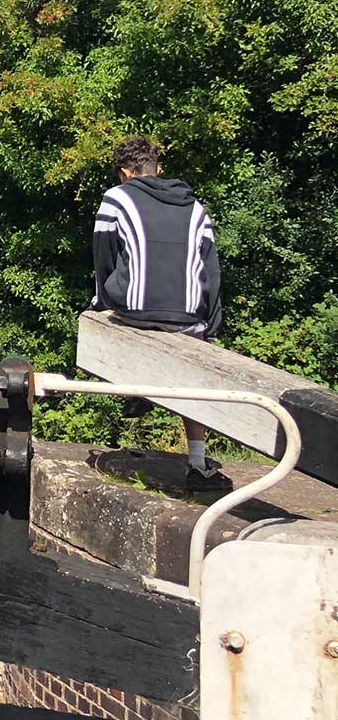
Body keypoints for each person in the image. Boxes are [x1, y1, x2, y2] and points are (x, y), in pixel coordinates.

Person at [90, 136, 226, 489]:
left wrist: (104, 301)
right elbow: (210, 270)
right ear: (158, 168)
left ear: (124, 173)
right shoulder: (196, 207)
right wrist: (209, 325)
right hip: (188, 316)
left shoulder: (116, 198)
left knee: (102, 320)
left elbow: (104, 259)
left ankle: (136, 391)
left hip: (134, 310)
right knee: (192, 381)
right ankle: (197, 464)